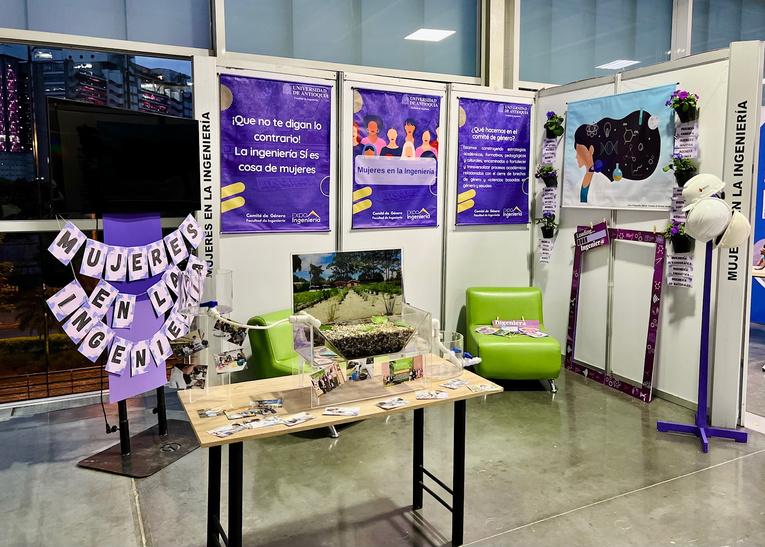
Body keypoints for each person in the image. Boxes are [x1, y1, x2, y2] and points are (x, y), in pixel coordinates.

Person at [572, 110, 660, 203]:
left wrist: (589, 171)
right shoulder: (601, 170)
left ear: (591, 150)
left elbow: (585, 198)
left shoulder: (603, 174)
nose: (577, 157)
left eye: (579, 153)